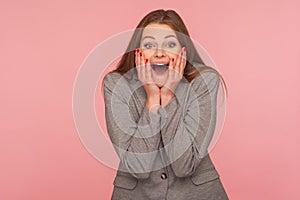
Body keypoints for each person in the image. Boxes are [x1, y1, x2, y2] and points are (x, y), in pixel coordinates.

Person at [102, 9, 229, 200]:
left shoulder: (203, 80)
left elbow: (185, 165)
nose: (159, 53)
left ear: (182, 51)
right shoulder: (116, 84)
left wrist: (168, 95)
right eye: (149, 44)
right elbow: (138, 166)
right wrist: (152, 99)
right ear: (137, 51)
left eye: (170, 44)